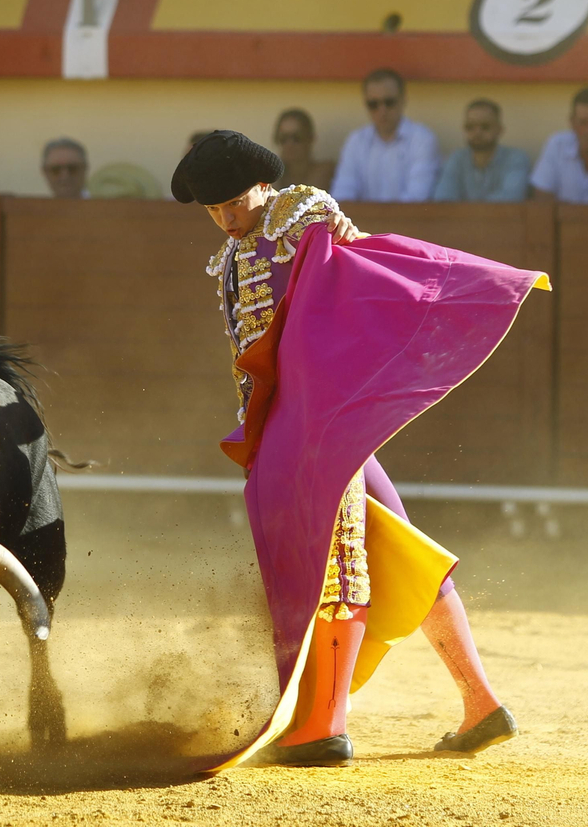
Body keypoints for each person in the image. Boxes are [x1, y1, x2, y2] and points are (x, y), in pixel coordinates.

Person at [172, 129, 542, 768]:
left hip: (318, 425)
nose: (227, 219)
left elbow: (351, 270)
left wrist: (336, 238)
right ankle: (481, 704)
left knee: (335, 560)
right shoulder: (235, 251)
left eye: (234, 203)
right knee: (403, 552)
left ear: (263, 185)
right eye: (214, 210)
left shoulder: (296, 214)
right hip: (299, 424)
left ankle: (324, 726)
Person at [330, 68, 441, 202]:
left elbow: (417, 198)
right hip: (363, 216)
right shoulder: (356, 141)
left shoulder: (422, 139)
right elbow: (343, 194)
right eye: (373, 104)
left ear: (403, 101)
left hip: (409, 216)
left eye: (389, 102)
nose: (382, 111)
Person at [433, 98, 531, 202]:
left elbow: (511, 198)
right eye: (470, 127)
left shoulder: (515, 158)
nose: (477, 133)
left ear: (500, 129)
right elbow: (443, 198)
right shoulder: (457, 158)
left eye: (485, 127)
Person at [273, 108, 336, 190]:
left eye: (297, 138)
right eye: (283, 138)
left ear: (310, 139)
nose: (289, 144)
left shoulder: (324, 172)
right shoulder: (272, 176)